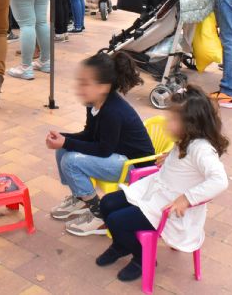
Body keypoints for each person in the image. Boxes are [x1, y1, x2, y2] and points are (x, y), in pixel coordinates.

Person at [96, 85, 229, 283]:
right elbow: (187, 165)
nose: (168, 122)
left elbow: (220, 180)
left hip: (169, 208)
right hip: (156, 192)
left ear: (190, 124)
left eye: (173, 119)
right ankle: (121, 245)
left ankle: (142, 258)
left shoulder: (201, 148)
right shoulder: (186, 139)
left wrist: (187, 199)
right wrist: (170, 157)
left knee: (117, 220)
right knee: (106, 203)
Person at [46, 52, 155, 237]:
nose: (79, 87)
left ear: (103, 87)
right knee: (64, 149)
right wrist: (64, 138)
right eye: (80, 81)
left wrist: (67, 142)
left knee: (71, 160)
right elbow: (90, 134)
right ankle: (81, 198)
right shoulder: (94, 103)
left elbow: (103, 150)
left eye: (85, 83)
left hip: (135, 167)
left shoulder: (113, 110)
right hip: (117, 155)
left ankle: (100, 215)